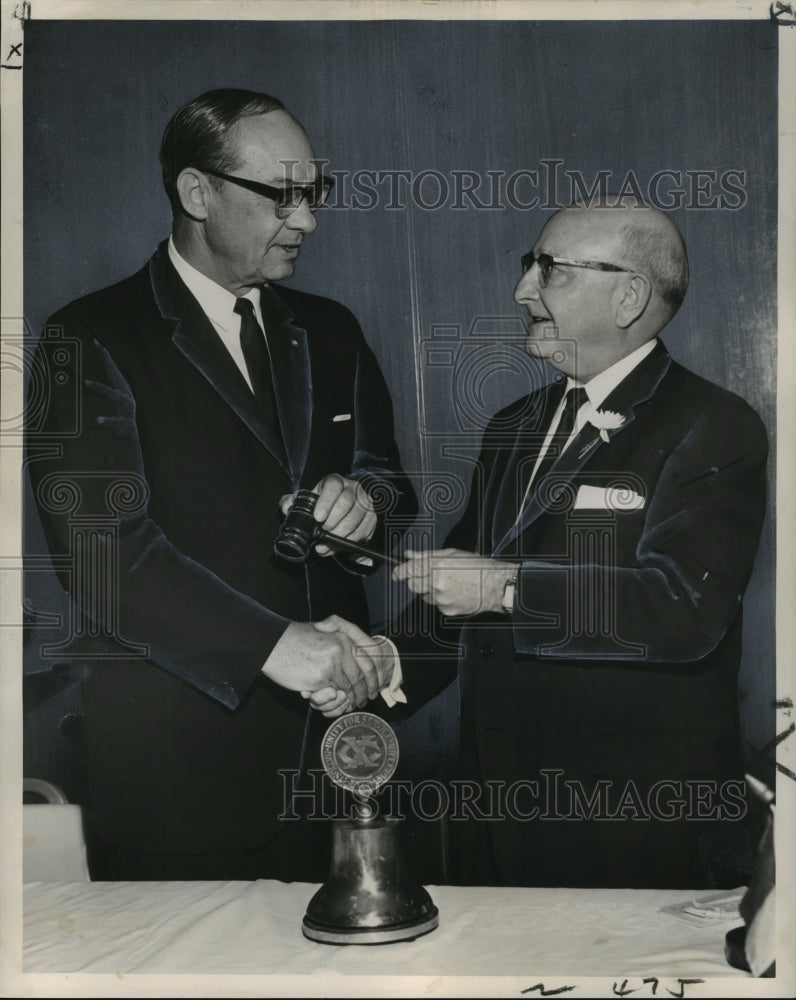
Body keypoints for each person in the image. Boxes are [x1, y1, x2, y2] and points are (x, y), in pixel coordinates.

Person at [27, 88, 416, 881]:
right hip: (183, 782)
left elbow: (393, 483)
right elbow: (104, 557)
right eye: (282, 196)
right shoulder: (87, 336)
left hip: (342, 770)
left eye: (314, 194)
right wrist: (280, 648)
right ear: (196, 193)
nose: (306, 220)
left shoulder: (332, 328)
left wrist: (368, 503)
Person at [393, 197, 768, 889]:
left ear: (628, 295)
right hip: (494, 811)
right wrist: (378, 667)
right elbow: (457, 588)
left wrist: (506, 588)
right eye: (527, 266)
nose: (521, 290)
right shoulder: (514, 423)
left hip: (627, 826)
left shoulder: (714, 426)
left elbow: (680, 610)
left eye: (550, 270)